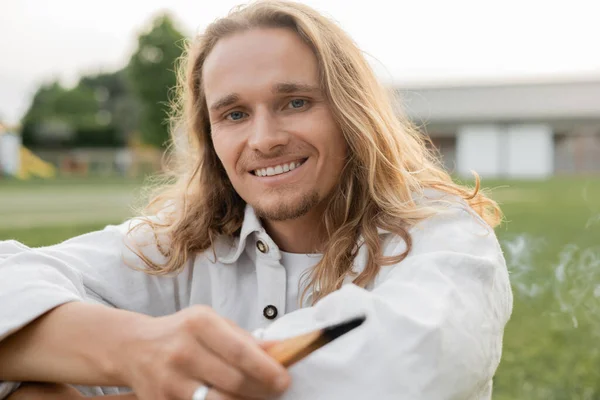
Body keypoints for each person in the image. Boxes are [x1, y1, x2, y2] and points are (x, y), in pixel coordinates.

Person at [0, 1, 513, 399]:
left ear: (350, 113)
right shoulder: (178, 244)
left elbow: (407, 365)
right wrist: (134, 348)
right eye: (234, 114)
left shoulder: (445, 233)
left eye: (295, 102)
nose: (264, 138)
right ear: (210, 135)